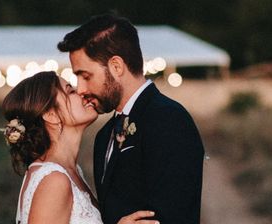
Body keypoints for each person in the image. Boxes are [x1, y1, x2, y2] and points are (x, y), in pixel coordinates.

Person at [57, 14, 204, 224]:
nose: (80, 89)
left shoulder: (169, 120)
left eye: (86, 76)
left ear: (116, 66)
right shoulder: (104, 136)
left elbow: (174, 214)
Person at [2, 71, 158, 224]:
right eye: (71, 91)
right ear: (51, 115)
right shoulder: (54, 180)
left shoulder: (71, 171)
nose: (82, 93)